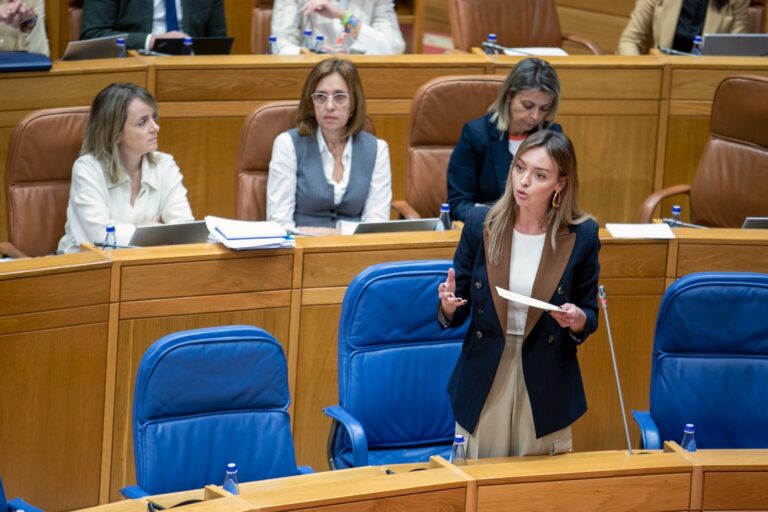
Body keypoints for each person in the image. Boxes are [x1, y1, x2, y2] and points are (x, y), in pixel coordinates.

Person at [438, 130, 600, 458]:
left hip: (545, 375)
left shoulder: (582, 234)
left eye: (539, 175)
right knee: (480, 484)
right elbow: (460, 303)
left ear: (560, 183)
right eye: (519, 168)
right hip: (486, 371)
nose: (524, 181)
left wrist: (578, 319)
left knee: (537, 489)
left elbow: (588, 312)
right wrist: (449, 305)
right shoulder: (480, 223)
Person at [58, 82, 194, 253]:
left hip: (143, 266)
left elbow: (185, 229)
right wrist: (153, 230)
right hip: (87, 268)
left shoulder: (164, 165)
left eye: (154, 118)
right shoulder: (87, 168)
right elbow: (101, 238)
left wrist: (136, 234)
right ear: (115, 133)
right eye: (143, 122)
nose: (155, 128)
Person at [267, 58, 392, 235]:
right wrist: (343, 233)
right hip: (301, 252)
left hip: (355, 253)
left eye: (340, 97)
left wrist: (331, 234)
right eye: (321, 97)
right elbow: (279, 224)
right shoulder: (287, 145)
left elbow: (377, 225)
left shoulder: (378, 149)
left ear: (354, 103)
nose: (330, 106)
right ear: (311, 103)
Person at [447, 58, 562, 223]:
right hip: (488, 231)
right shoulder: (476, 135)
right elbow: (458, 205)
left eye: (544, 108)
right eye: (528, 105)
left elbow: (561, 197)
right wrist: (505, 220)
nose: (535, 116)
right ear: (509, 96)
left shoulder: (553, 136)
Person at [80, 0, 227, 51]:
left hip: (190, 68)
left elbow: (218, 43)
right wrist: (151, 41)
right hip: (132, 66)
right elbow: (93, 35)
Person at [271, 0, 405, 55]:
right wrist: (312, 53)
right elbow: (280, 42)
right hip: (310, 75)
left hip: (362, 77)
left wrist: (344, 16)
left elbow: (393, 47)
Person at [618, 0, 749, 55]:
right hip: (661, 75)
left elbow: (737, 53)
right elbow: (630, 40)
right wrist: (641, 75)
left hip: (708, 84)